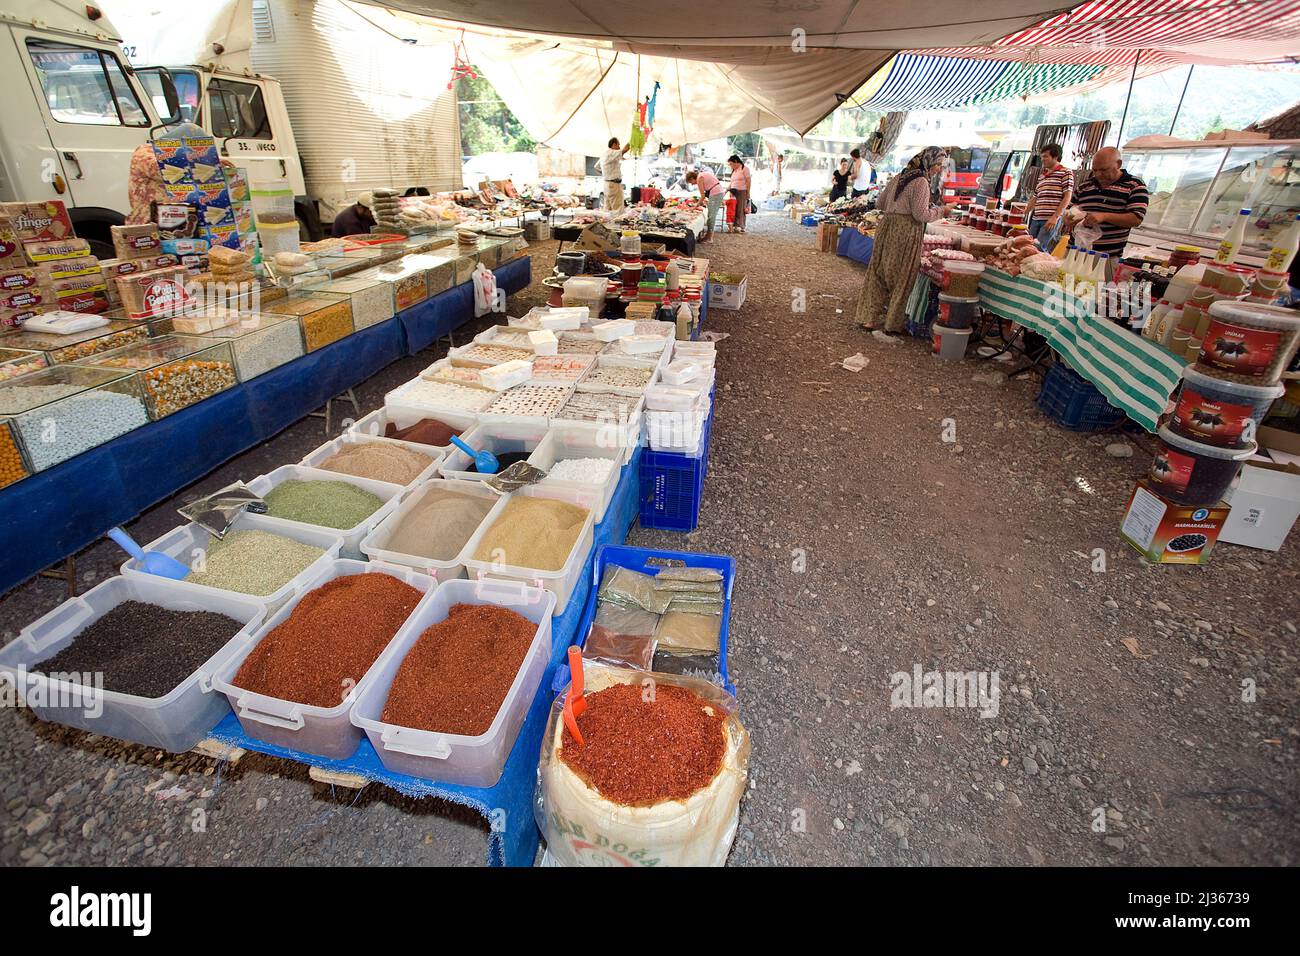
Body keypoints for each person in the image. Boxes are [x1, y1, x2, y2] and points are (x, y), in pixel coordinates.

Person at [856, 146, 955, 339]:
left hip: (887, 227)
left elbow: (880, 203)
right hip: (905, 230)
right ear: (928, 162)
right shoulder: (920, 182)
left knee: (878, 272)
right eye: (937, 165)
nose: (938, 169)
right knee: (903, 276)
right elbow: (921, 215)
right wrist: (943, 210)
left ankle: (868, 319)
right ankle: (892, 325)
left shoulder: (900, 177)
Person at [1068, 146, 1149, 264]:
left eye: (1104, 170)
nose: (1098, 174)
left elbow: (1136, 219)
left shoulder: (1134, 185)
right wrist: (1069, 218)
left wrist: (1104, 216)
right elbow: (1071, 208)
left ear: (1119, 164)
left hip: (1106, 257)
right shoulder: (1085, 185)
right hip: (1075, 251)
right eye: (1095, 170)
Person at [1024, 143, 1072, 250]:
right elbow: (1036, 197)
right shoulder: (1042, 175)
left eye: (1046, 156)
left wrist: (1055, 217)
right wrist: (1024, 212)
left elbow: (1067, 196)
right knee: (1027, 245)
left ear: (1055, 157)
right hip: (1036, 218)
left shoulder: (1065, 172)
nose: (1043, 159)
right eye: (1042, 157)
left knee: (1039, 248)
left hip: (1050, 219)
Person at [685, 168, 726, 241]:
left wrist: (695, 207)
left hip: (716, 193)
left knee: (711, 216)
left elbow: (703, 196)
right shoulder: (702, 174)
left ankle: (709, 237)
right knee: (711, 215)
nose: (692, 184)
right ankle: (708, 236)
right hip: (718, 192)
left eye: (691, 182)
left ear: (692, 178)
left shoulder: (699, 178)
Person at [602, 137, 631, 212]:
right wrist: (632, 139)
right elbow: (624, 150)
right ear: (614, 144)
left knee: (607, 210)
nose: (619, 147)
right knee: (618, 210)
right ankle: (617, 223)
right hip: (614, 185)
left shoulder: (604, 154)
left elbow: (596, 167)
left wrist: (607, 175)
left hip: (607, 184)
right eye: (618, 145)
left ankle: (607, 223)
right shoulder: (611, 152)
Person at [727, 155, 751, 233]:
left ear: (736, 162)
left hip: (742, 190)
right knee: (733, 208)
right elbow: (732, 182)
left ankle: (740, 226)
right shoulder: (734, 171)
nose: (730, 166)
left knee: (740, 209)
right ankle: (735, 225)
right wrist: (727, 190)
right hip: (733, 191)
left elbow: (748, 181)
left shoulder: (745, 169)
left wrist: (748, 192)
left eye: (731, 164)